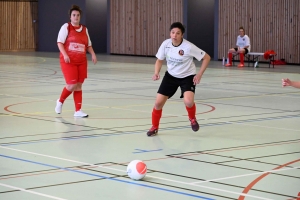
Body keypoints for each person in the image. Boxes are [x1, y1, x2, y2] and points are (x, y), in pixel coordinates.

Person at [147, 22, 211, 137]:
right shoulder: (166, 44)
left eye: (177, 33)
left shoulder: (188, 47)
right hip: (170, 76)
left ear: (182, 35)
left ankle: (192, 119)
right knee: (158, 103)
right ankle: (154, 127)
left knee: (188, 101)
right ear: (170, 33)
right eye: (172, 32)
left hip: (187, 76)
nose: (174, 35)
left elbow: (206, 58)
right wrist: (156, 73)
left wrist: (199, 74)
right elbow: (159, 60)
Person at [55, 5, 97, 117]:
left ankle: (78, 110)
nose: (76, 17)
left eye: (78, 15)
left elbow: (88, 45)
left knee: (79, 85)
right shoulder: (66, 27)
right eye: (74, 15)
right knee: (71, 84)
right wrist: (65, 55)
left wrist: (93, 54)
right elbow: (60, 42)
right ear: (70, 17)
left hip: (81, 61)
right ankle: (60, 101)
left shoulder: (85, 29)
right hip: (69, 61)